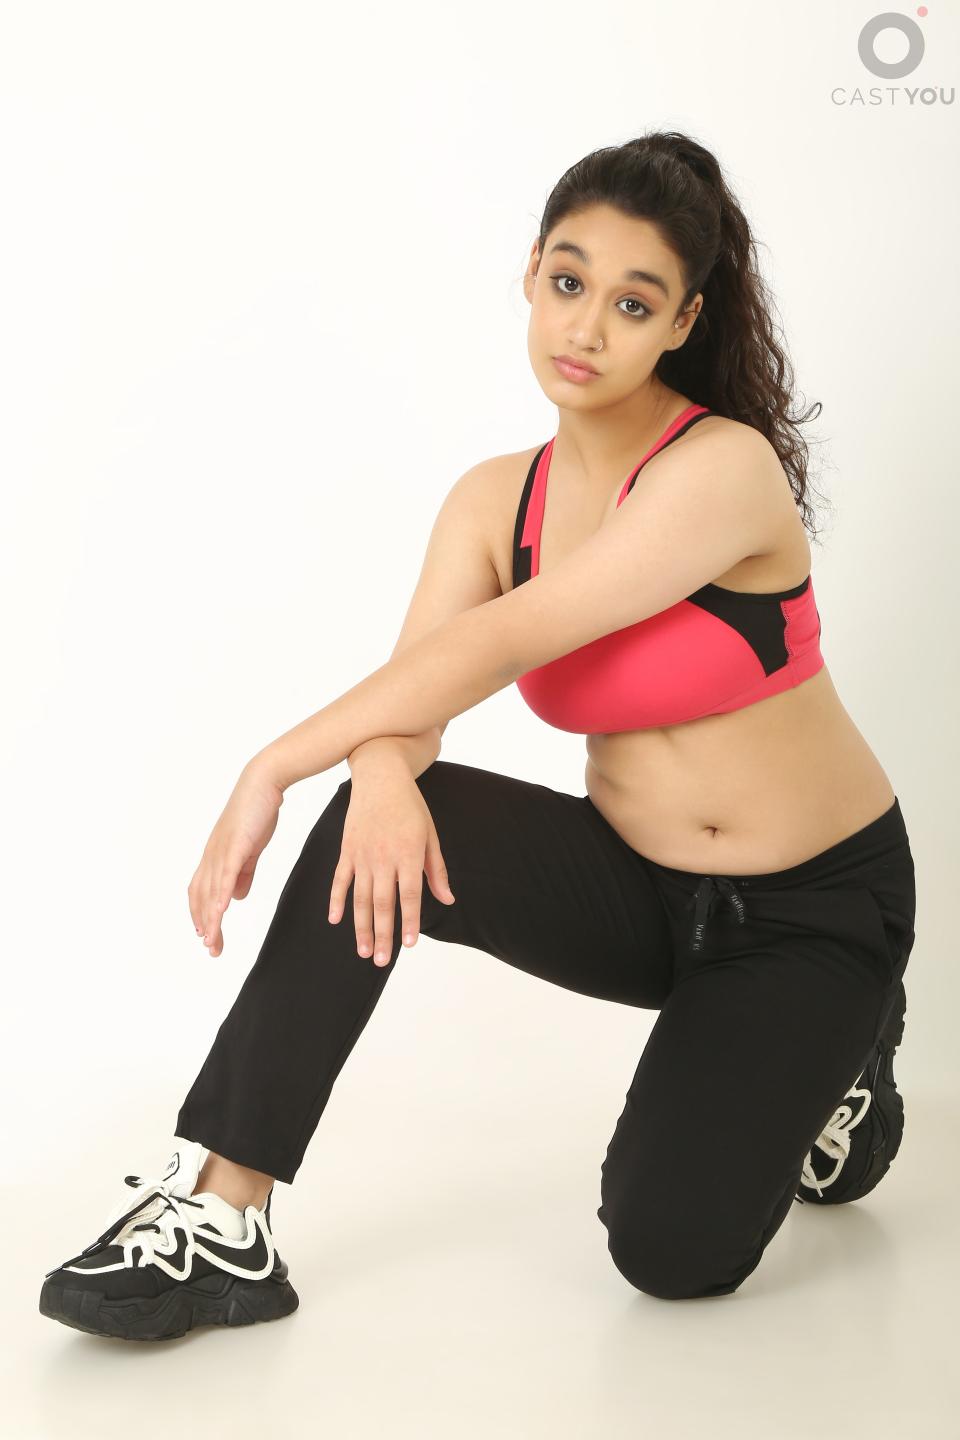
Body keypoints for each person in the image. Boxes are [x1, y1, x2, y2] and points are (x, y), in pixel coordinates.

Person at [40, 129, 916, 1340]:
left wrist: (273, 765)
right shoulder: (493, 500)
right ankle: (225, 1216)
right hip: (641, 890)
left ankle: (843, 1060)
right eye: (568, 282)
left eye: (633, 303)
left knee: (671, 1253)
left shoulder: (723, 470)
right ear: (531, 278)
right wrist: (381, 772)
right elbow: (416, 692)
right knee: (375, 816)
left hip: (811, 910)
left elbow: (499, 641)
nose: (587, 327)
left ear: (682, 323)